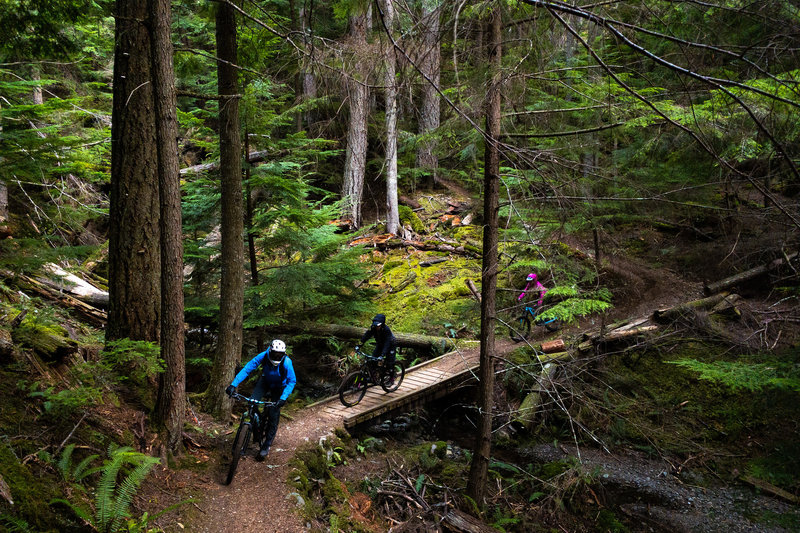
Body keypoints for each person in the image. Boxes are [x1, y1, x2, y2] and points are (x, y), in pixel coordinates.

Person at [226, 339, 296, 461]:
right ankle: (254, 426)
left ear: (283, 354)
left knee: (274, 414)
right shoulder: (264, 356)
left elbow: (291, 381)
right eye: (275, 353)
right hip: (265, 382)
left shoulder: (287, 363)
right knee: (252, 402)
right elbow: (248, 368)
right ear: (270, 350)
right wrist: (233, 385)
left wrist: (283, 398)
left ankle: (267, 445)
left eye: (280, 354)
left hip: (279, 387)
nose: (277, 356)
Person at [357, 313, 397, 378]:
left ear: (382, 324)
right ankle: (374, 376)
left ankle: (391, 378)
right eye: (376, 325)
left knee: (390, 362)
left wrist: (382, 355)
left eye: (378, 325)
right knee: (373, 359)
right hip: (380, 344)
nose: (377, 327)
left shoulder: (386, 330)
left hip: (390, 345)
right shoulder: (373, 328)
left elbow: (387, 343)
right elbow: (366, 336)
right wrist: (358, 345)